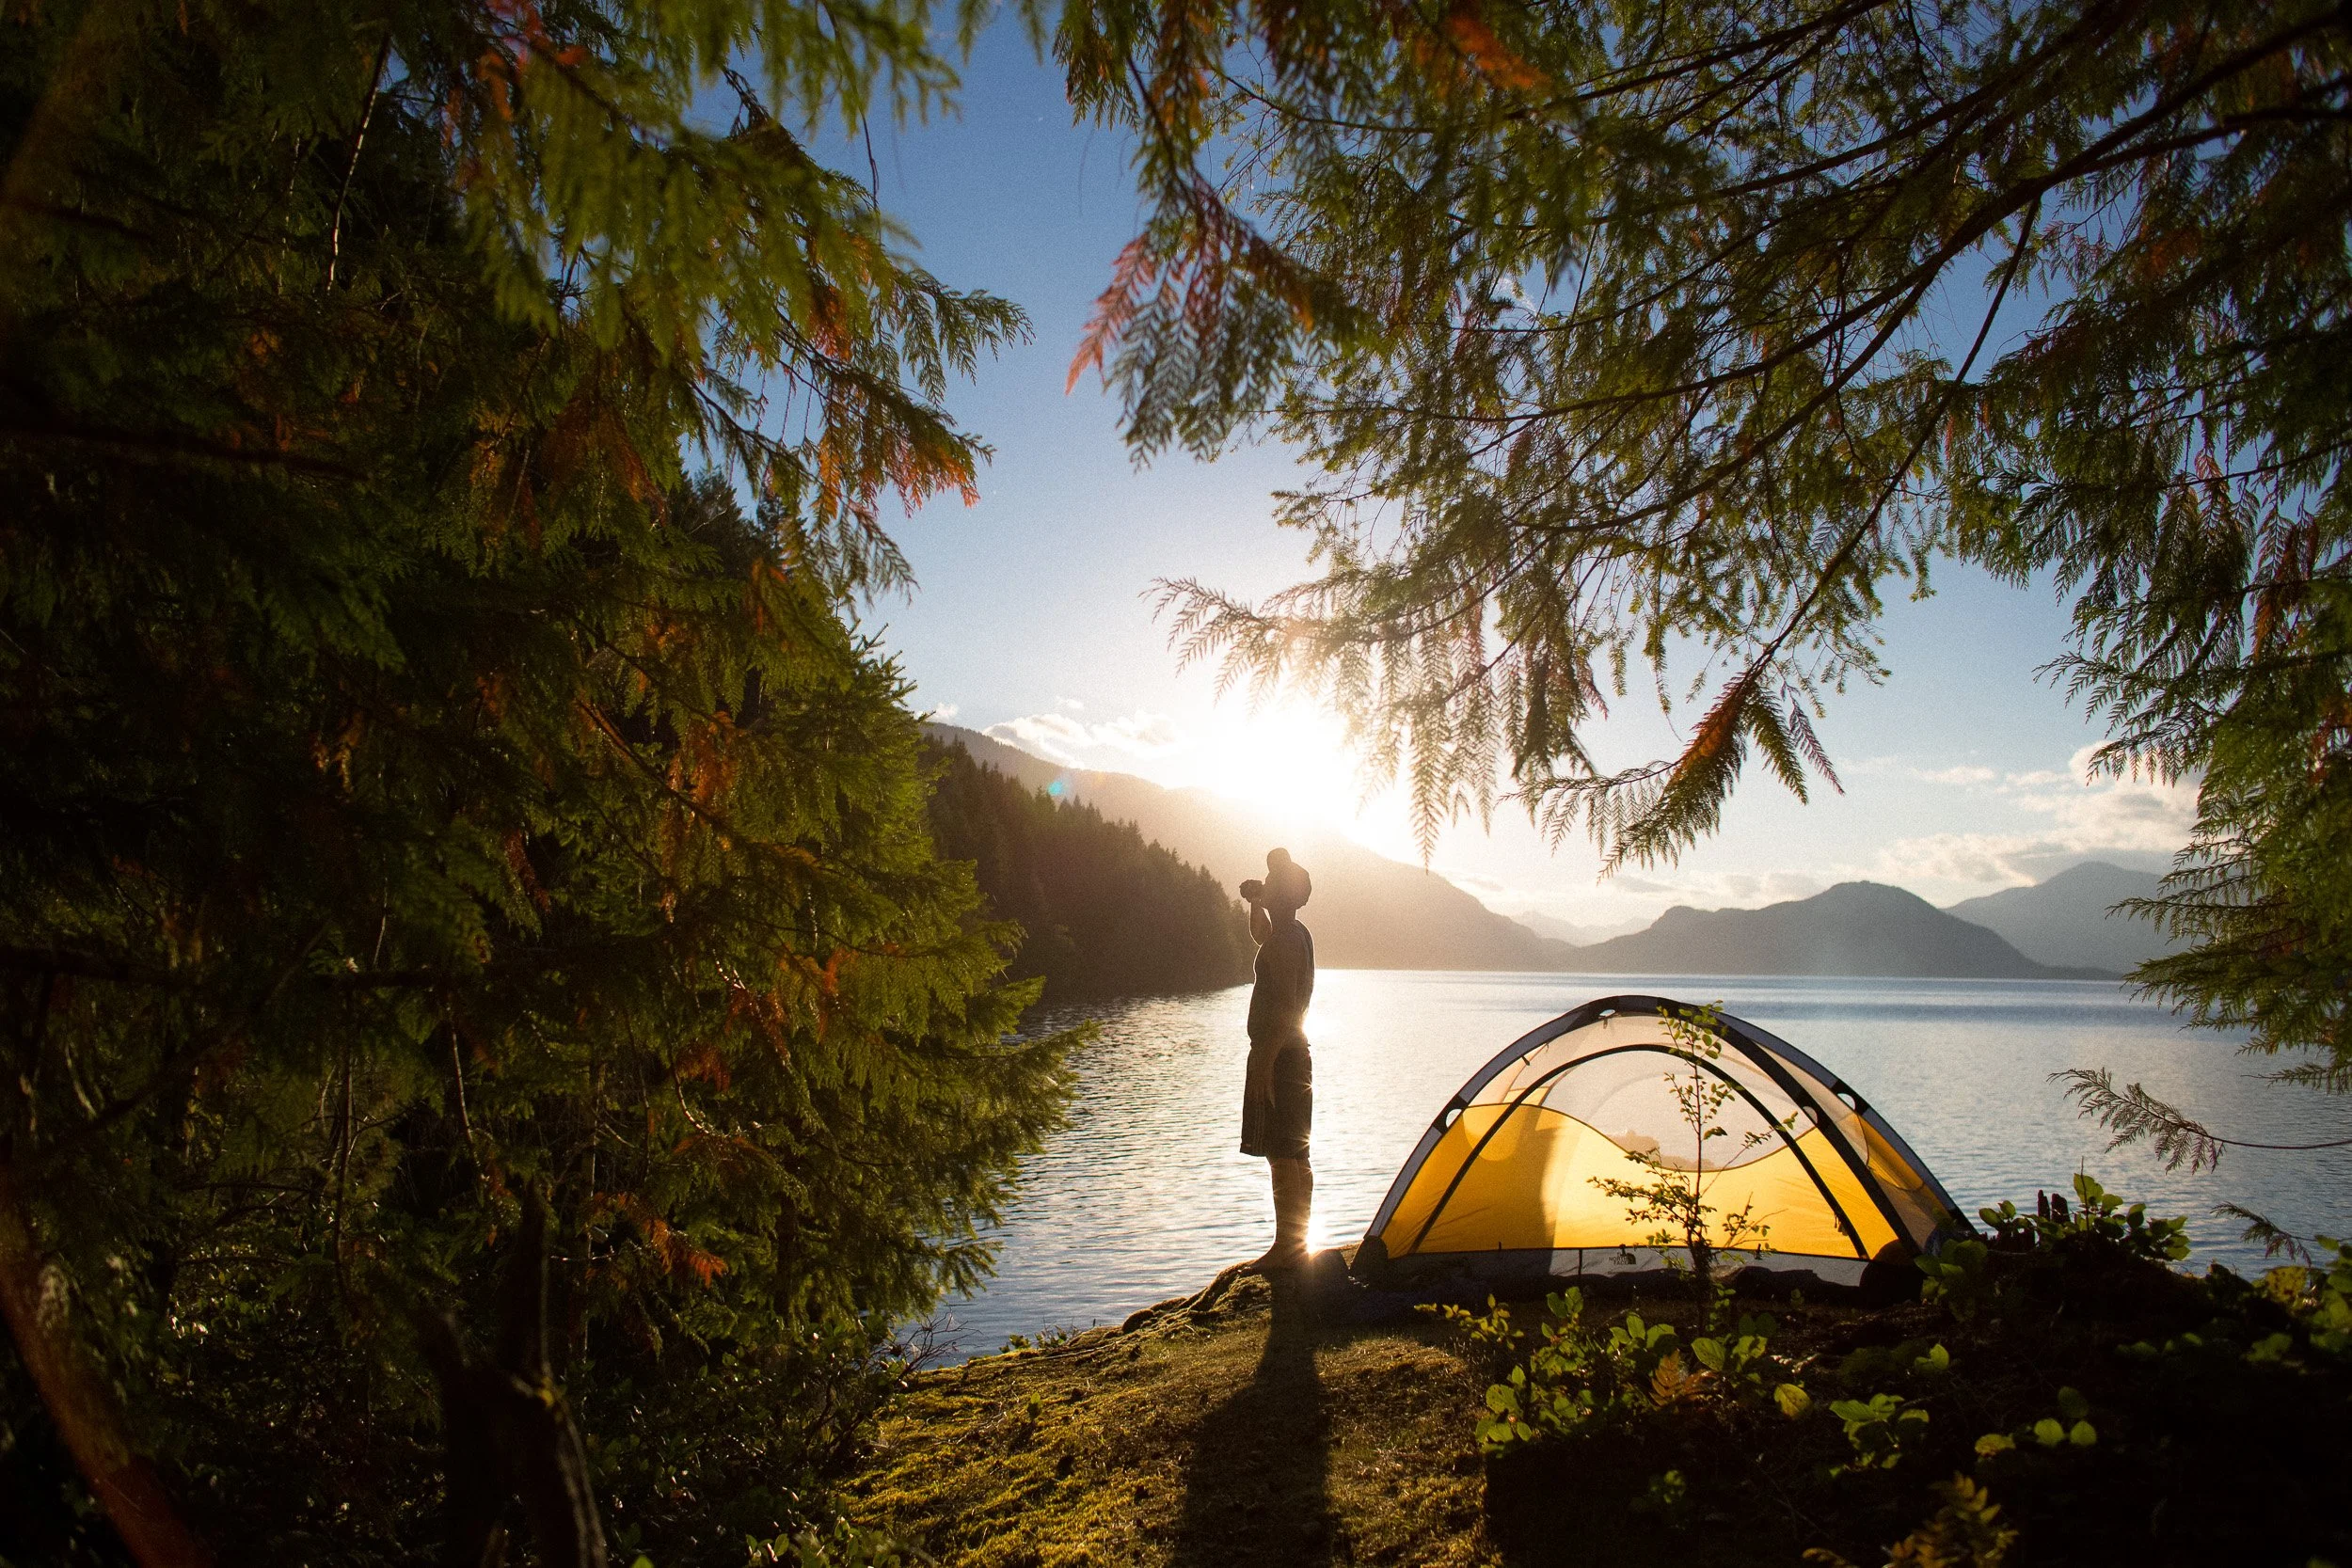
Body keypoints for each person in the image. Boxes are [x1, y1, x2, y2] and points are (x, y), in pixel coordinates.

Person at [1237, 847, 1315, 1272]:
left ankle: (1287, 1247)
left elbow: (1285, 1009)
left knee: (1283, 1152)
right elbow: (1259, 937)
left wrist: (1264, 1068)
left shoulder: (1287, 940)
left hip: (1280, 1055)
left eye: (1269, 887)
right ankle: (1295, 1242)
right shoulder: (1291, 931)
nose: (1262, 888)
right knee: (1295, 1151)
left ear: (1281, 896)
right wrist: (1254, 903)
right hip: (1292, 1053)